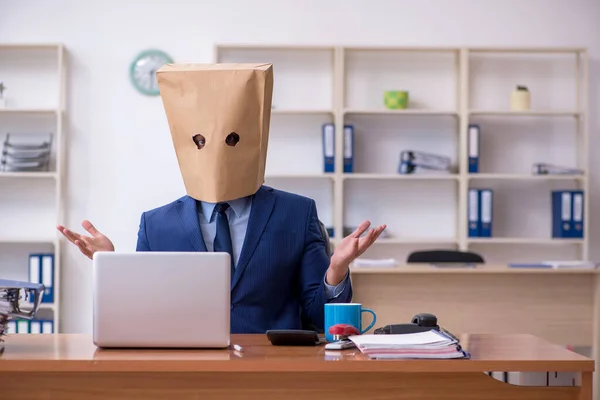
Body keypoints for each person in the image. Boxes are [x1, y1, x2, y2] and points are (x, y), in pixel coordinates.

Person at [57, 63, 386, 333]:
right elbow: (142, 314)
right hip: (187, 368)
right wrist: (111, 264)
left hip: (275, 367)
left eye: (232, 139)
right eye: (199, 140)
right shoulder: (157, 224)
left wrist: (337, 269)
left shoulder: (297, 213)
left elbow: (318, 316)